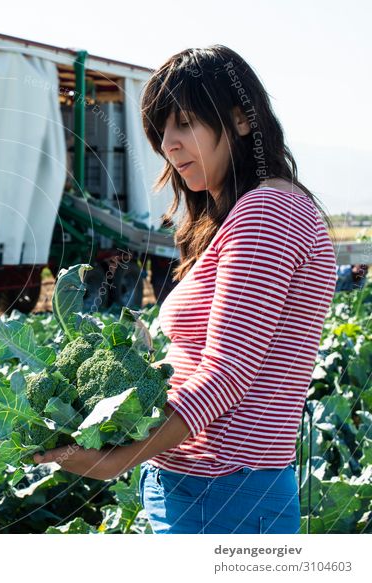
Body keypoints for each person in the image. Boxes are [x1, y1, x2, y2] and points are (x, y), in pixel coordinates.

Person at [32, 45, 337, 534]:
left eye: (186, 123)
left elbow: (229, 374)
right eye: (161, 130)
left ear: (241, 120)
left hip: (228, 496)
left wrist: (119, 459)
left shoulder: (269, 213)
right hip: (196, 488)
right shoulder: (233, 219)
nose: (168, 144)